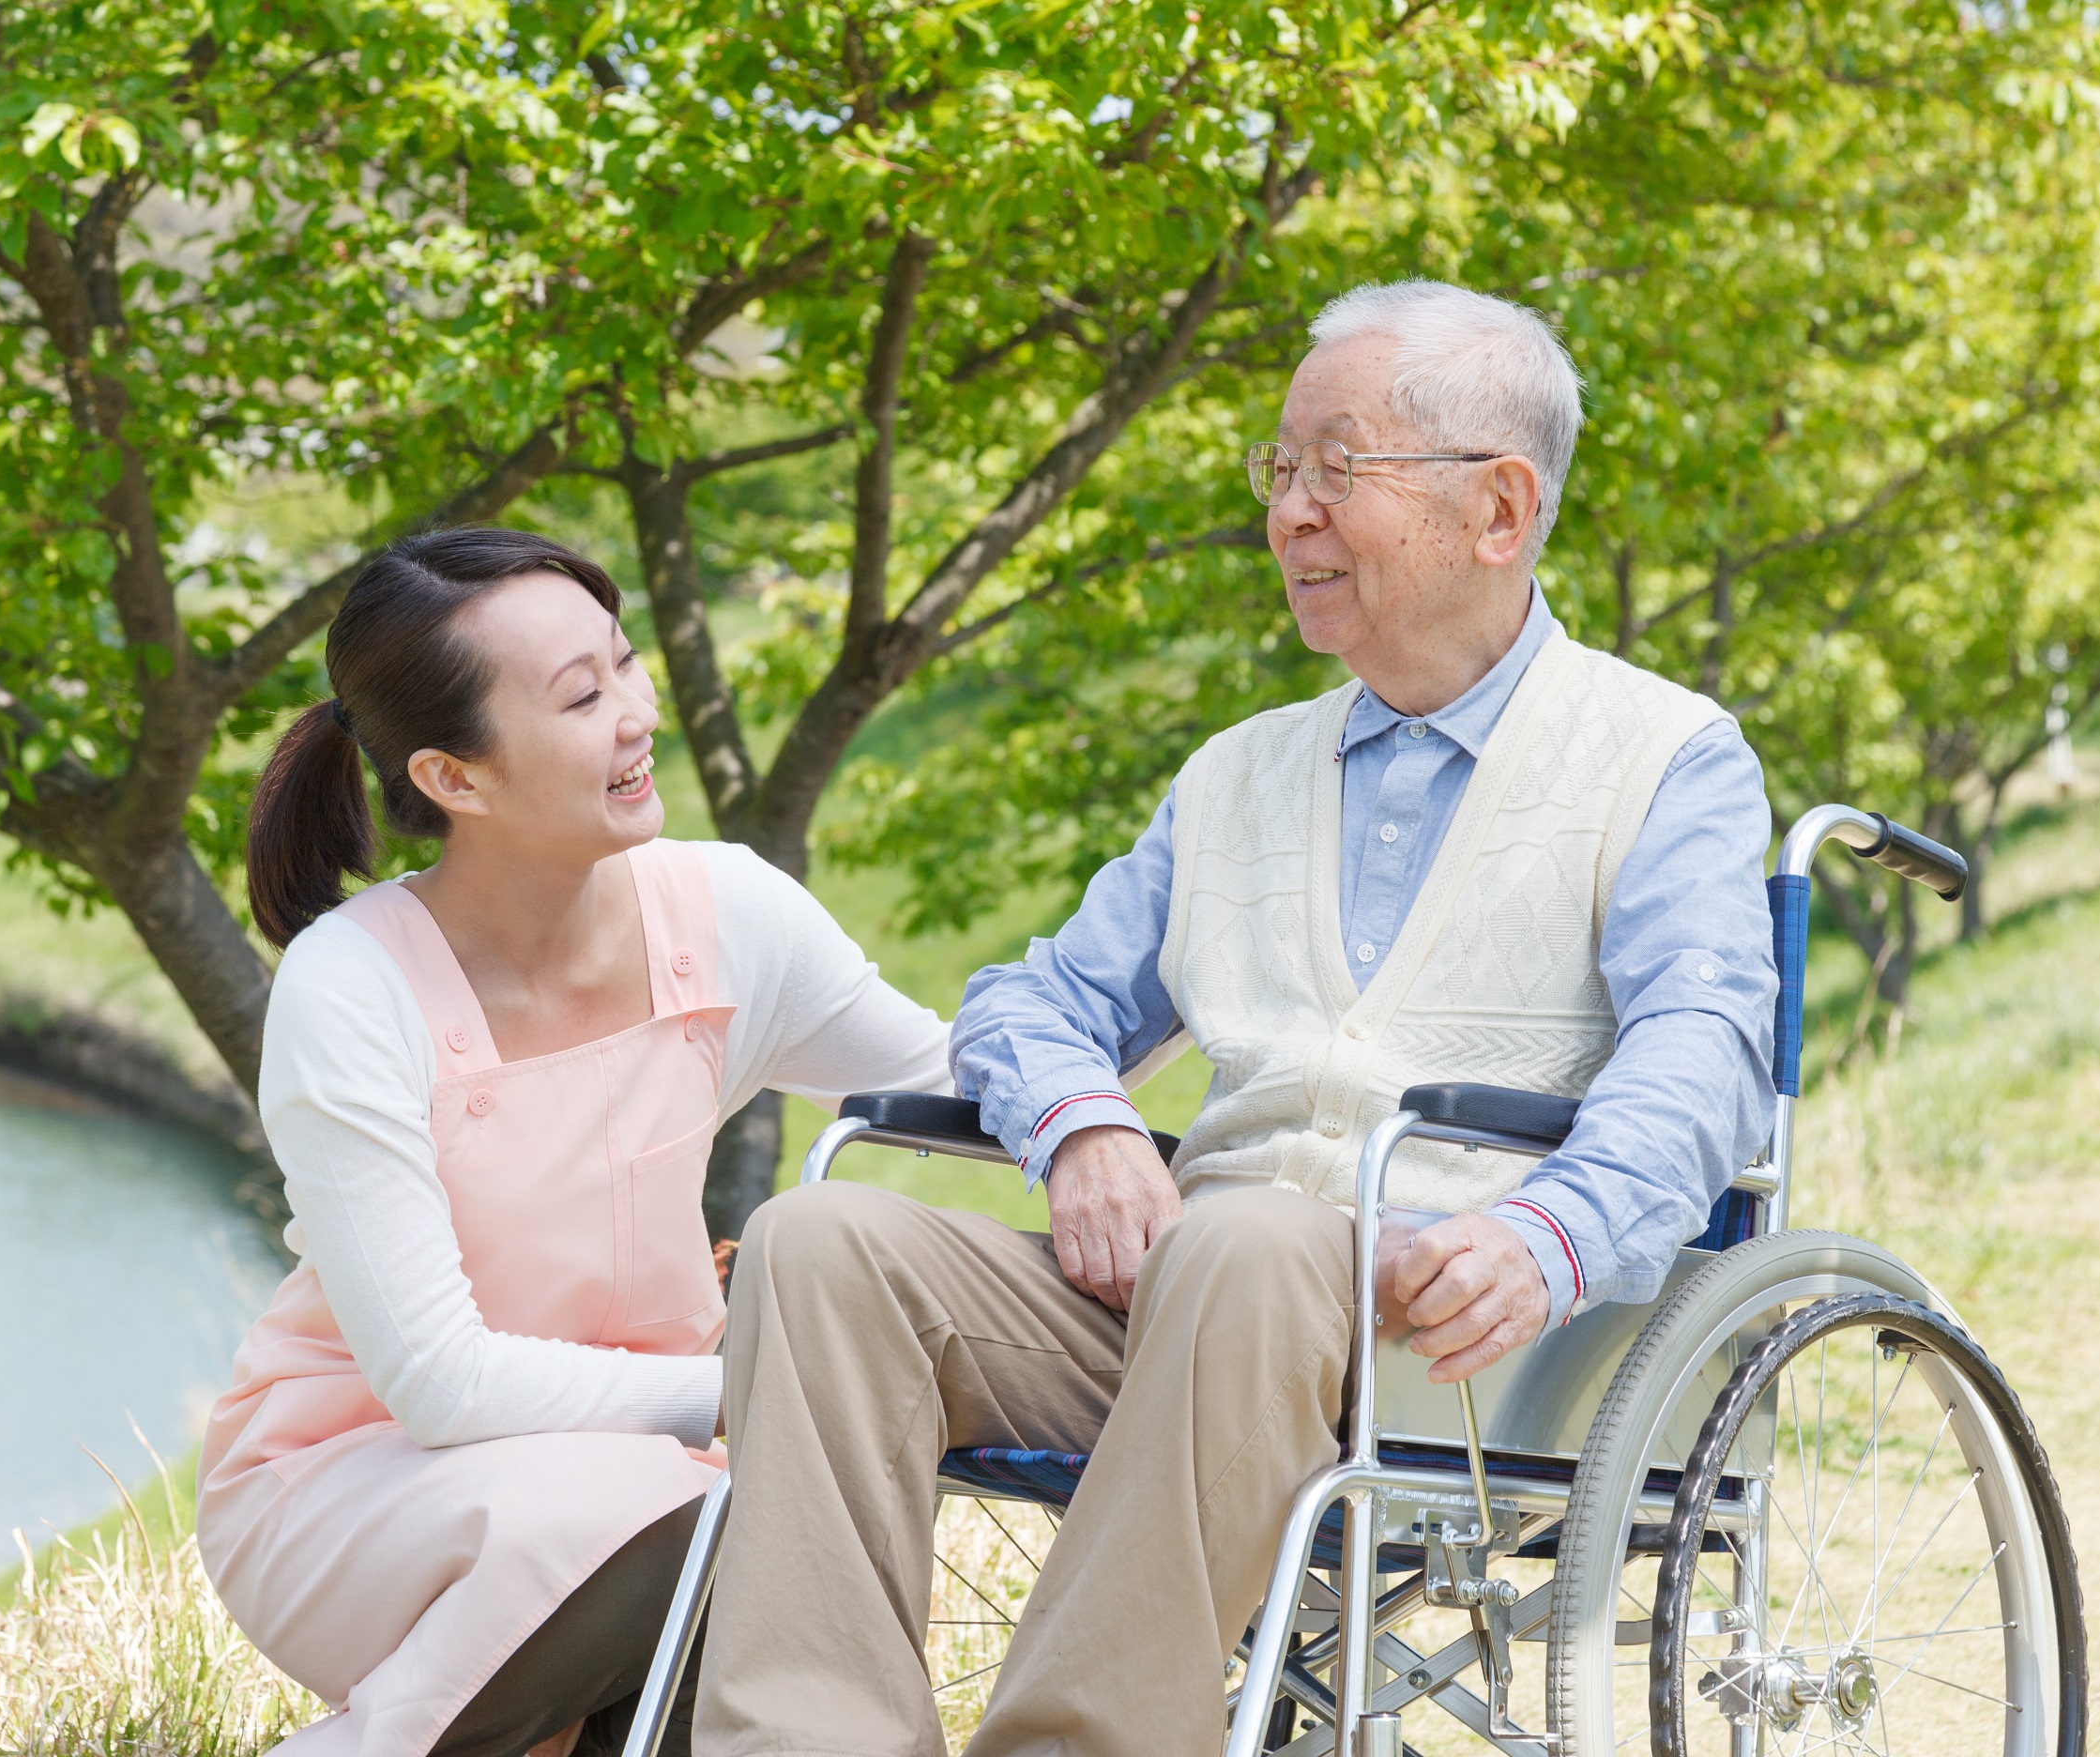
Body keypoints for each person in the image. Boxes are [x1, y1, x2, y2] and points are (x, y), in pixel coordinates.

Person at [697, 280, 1781, 1757]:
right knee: (820, 1245)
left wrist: (1552, 1235)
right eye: (1279, 471)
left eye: (1338, 470)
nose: (1289, 514)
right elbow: (1032, 1001)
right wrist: (1081, 1127)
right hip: (1192, 1304)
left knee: (1252, 1238)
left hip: (1462, 1338)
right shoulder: (1234, 775)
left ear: (1502, 509)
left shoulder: (1665, 757)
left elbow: (1704, 1052)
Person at [195, 528, 951, 1757]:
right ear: (456, 778)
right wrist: (749, 1392)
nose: (635, 716)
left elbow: (952, 1082)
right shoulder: (353, 984)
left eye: (625, 667)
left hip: (660, 1473)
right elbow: (438, 1383)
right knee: (711, 1523)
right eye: (582, 697)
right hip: (358, 1477)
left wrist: (1176, 1003)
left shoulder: (727, 913)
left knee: (749, 1575)